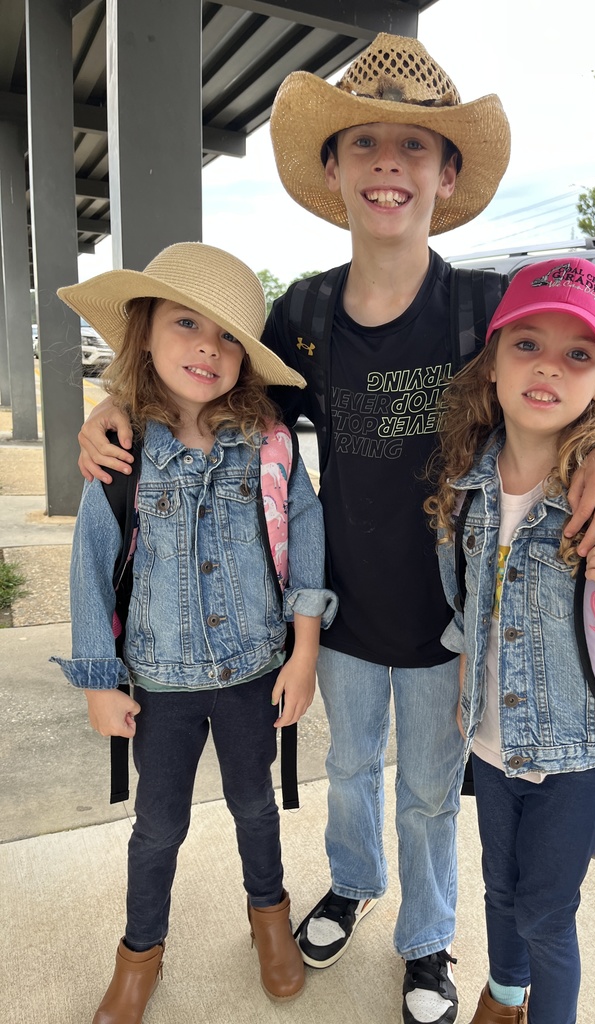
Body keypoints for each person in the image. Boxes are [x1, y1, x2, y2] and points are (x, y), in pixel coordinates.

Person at [75, 35, 595, 1024]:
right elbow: (215, 405)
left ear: (448, 173)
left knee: (429, 792)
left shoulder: (481, 309)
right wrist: (108, 408)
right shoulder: (300, 315)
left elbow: (571, 379)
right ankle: (350, 880)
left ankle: (426, 940)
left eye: (417, 146)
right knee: (348, 772)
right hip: (336, 612)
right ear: (334, 169)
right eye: (367, 143)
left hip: (444, 622)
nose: (391, 162)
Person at [53, 242, 337, 1024]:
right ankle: (140, 953)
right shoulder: (123, 449)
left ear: (246, 358)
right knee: (158, 828)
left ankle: (269, 921)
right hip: (162, 683)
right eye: (186, 324)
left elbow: (305, 533)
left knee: (255, 807)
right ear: (144, 332)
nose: (207, 348)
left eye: (227, 337)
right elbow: (92, 558)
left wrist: (304, 649)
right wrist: (97, 681)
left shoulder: (269, 444)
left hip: (254, 671)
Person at [426, 258, 595, 1024]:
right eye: (528, 344)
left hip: (579, 755)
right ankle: (506, 996)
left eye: (578, 354)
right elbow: (466, 603)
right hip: (488, 738)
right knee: (498, 888)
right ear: (492, 364)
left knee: (548, 913)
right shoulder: (471, 485)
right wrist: (462, 694)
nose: (549, 365)